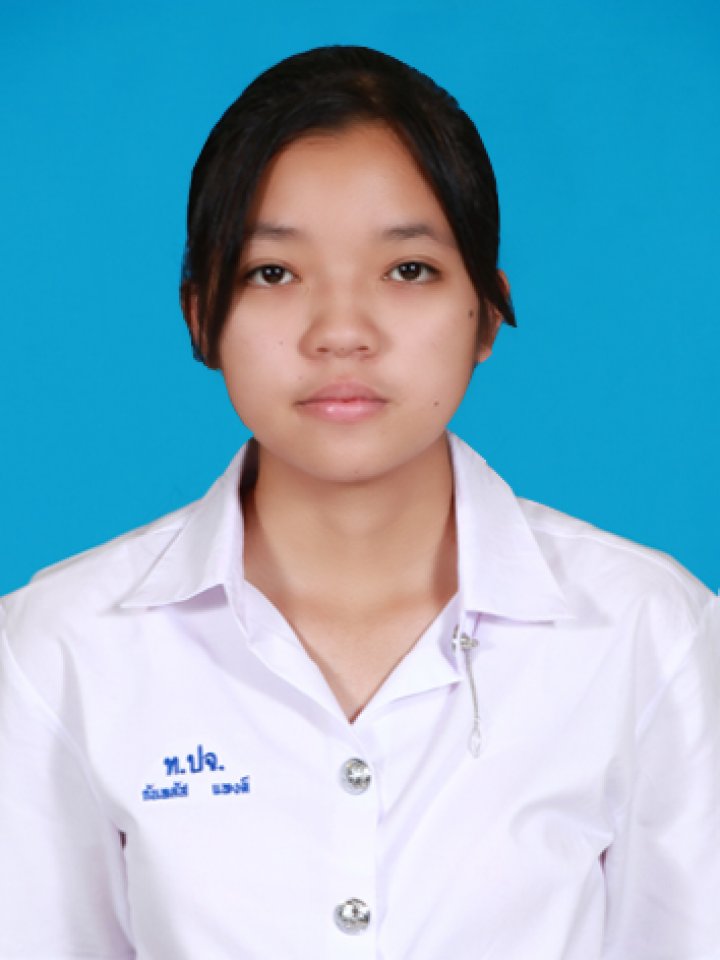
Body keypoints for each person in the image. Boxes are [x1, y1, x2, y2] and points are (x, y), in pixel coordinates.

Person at [0, 45, 717, 960]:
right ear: (200, 314)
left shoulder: (649, 634)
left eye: (408, 269)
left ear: (489, 312)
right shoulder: (58, 650)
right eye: (273, 272)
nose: (341, 332)